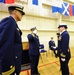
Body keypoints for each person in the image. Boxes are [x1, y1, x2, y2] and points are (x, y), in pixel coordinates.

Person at [0, 3, 25, 75]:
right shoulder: (9, 22)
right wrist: (8, 69)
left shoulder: (13, 23)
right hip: (10, 67)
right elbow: (5, 46)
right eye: (21, 13)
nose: (22, 15)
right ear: (15, 12)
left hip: (15, 63)